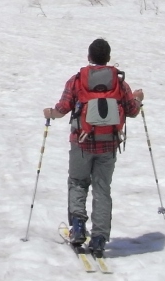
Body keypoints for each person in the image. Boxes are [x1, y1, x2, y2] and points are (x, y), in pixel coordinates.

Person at [43, 38, 143, 258]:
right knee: (102, 188)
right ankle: (99, 238)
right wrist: (138, 100)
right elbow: (132, 111)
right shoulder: (119, 83)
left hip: (81, 143)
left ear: (89, 57)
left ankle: (78, 227)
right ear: (108, 58)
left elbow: (62, 109)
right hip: (108, 145)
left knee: (78, 183)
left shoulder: (77, 80)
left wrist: (50, 113)